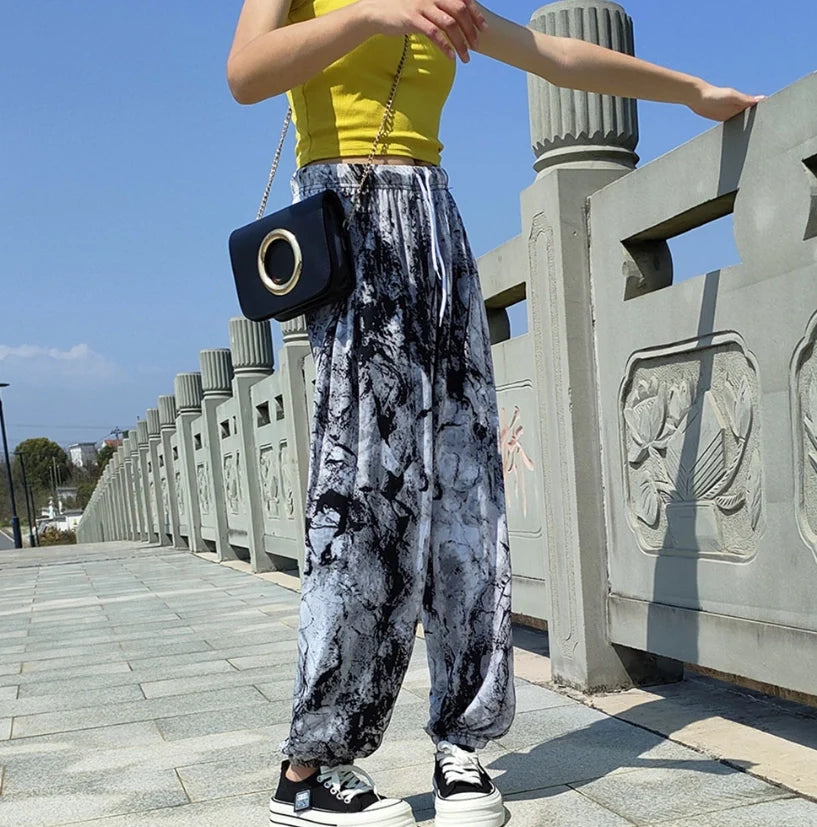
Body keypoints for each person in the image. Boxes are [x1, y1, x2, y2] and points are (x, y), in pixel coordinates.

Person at [227, 2, 762, 825]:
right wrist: (371, 16)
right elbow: (246, 74)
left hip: (436, 233)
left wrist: (691, 91)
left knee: (467, 503)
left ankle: (460, 742)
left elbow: (552, 54)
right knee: (362, 505)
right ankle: (309, 767)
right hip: (349, 228)